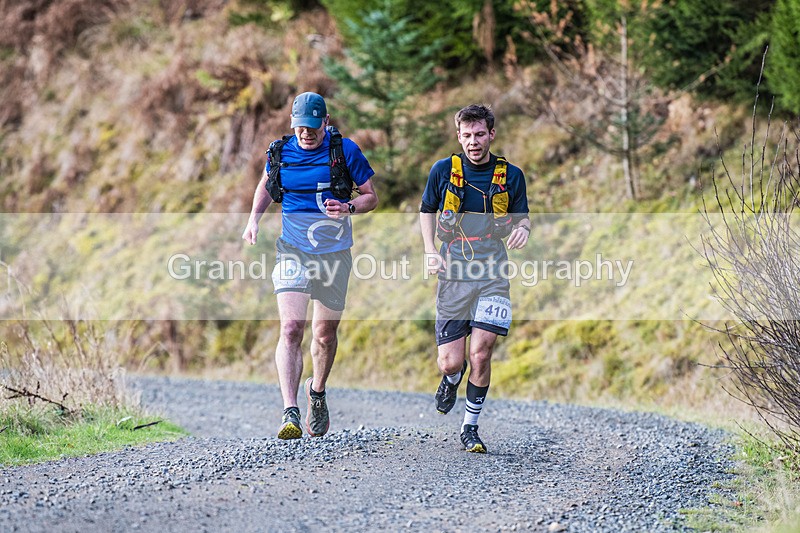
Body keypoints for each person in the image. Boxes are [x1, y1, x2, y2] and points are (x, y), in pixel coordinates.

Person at [242, 91, 379, 440]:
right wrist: (254, 219)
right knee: (291, 327)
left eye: (313, 128)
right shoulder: (279, 152)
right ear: (292, 124)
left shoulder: (344, 151)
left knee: (324, 334)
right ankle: (290, 411)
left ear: (326, 123)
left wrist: (348, 208)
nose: (306, 134)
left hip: (335, 254)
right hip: (293, 250)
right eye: (301, 127)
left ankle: (316, 391)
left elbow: (370, 197)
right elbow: (266, 184)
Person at [419, 104, 530, 453]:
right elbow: (427, 211)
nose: (473, 142)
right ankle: (451, 379)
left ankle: (470, 427)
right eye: (466, 135)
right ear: (458, 136)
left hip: (494, 271)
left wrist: (523, 229)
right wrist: (428, 250)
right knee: (452, 361)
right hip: (454, 273)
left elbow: (523, 217)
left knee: (481, 354)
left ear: (491, 134)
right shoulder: (442, 171)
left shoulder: (511, 175)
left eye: (479, 134)